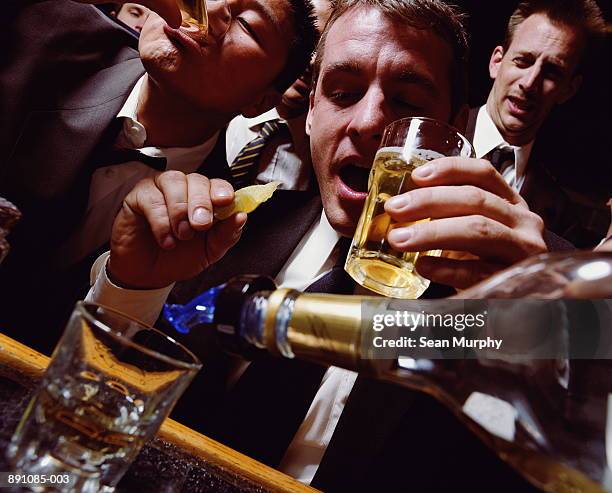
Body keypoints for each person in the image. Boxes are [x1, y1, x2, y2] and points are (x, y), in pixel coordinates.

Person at [88, 0, 555, 491]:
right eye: (344, 92)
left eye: (409, 103)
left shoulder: (511, 286)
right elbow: (100, 413)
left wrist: (548, 335)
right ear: (311, 111)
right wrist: (133, 288)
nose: (370, 123)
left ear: (454, 130)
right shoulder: (217, 230)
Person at [0, 0, 317, 353]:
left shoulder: (219, 233)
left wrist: (129, 286)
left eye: (246, 24)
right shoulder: (41, 27)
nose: (208, 12)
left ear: (261, 102)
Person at [465, 0, 605, 245]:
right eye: (523, 61)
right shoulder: (427, 131)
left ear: (568, 90)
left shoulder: (562, 218)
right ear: (496, 62)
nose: (530, 83)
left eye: (551, 72)